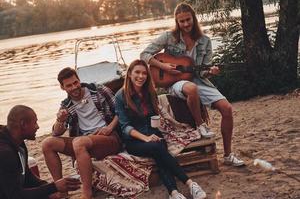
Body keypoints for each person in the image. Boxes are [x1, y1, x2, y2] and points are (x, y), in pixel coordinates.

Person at [140, 3, 244, 167]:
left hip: (198, 80)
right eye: (181, 21)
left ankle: (228, 155)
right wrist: (163, 67)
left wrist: (210, 72)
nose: (186, 24)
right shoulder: (169, 37)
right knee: (191, 88)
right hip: (175, 82)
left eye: (188, 20)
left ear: (193, 18)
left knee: (227, 109)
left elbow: (202, 72)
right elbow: (144, 54)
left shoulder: (205, 41)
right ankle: (200, 125)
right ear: (177, 22)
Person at [115, 59, 207, 199]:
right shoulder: (120, 96)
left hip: (153, 134)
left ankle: (174, 193)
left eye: (144, 73)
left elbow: (153, 117)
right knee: (158, 148)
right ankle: (190, 183)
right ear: (129, 74)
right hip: (134, 141)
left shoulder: (149, 92)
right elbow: (125, 127)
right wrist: (146, 138)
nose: (141, 76)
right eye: (137, 72)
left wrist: (156, 126)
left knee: (160, 152)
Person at [42, 67, 122, 199]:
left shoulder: (98, 90)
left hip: (108, 137)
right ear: (63, 88)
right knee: (47, 143)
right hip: (83, 144)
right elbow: (57, 132)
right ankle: (61, 190)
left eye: (75, 83)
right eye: (69, 85)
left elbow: (121, 111)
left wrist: (110, 128)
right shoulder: (66, 105)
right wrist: (60, 120)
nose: (74, 87)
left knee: (79, 142)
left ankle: (87, 192)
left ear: (79, 80)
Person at [0, 105, 81, 199]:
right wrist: (53, 187)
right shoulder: (5, 153)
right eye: (35, 123)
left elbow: (27, 177)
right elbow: (14, 195)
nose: (37, 127)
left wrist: (52, 188)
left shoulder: (18, 142)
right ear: (23, 124)